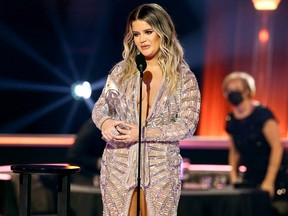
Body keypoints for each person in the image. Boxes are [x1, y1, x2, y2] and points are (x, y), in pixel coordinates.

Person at [92, 3, 201, 216]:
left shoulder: (183, 77)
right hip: (119, 163)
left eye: (148, 32)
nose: (142, 40)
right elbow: (100, 107)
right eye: (136, 34)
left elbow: (187, 125)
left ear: (163, 32)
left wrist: (141, 134)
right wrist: (106, 123)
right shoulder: (121, 72)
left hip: (161, 166)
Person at [223, 72, 288, 216]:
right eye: (229, 89)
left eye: (237, 88)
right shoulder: (232, 119)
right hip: (251, 175)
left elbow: (277, 147)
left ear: (247, 91)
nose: (232, 92)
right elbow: (234, 151)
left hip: (276, 175)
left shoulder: (262, 114)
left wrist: (269, 181)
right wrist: (233, 175)